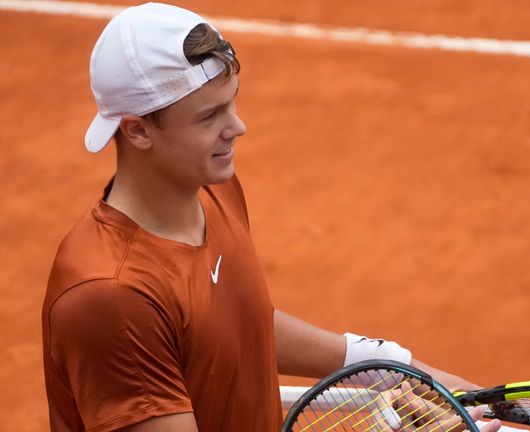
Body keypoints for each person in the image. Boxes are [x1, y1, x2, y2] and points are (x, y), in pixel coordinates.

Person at [41, 3, 501, 431]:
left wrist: (387, 366)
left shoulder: (212, 189)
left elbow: (226, 322)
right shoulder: (111, 300)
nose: (236, 126)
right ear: (137, 130)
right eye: (209, 117)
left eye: (233, 101)